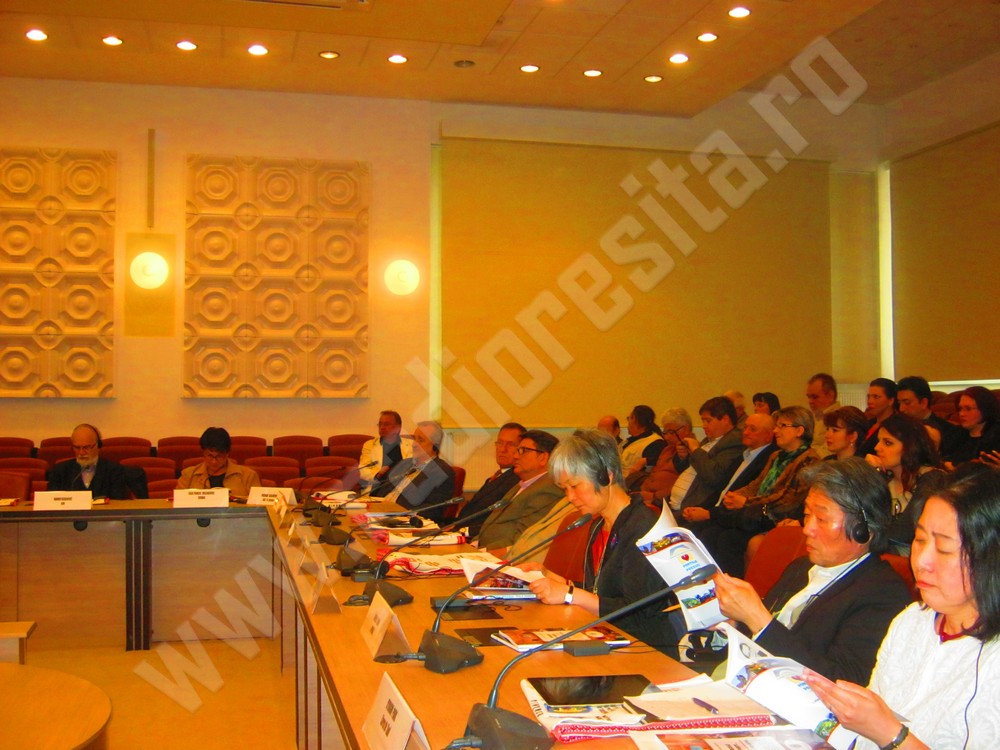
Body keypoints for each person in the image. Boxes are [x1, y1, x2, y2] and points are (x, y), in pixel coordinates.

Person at [804, 464, 1000, 750]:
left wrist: (890, 734)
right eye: (919, 540)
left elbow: (879, 728)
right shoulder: (912, 620)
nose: (921, 561)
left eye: (944, 549)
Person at [714, 458, 912, 684]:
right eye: (807, 515)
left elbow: (843, 680)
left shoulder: (882, 593)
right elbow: (773, 632)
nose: (807, 529)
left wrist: (758, 619)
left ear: (862, 530)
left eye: (822, 519)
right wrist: (735, 624)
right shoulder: (801, 568)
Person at [527, 430, 679, 655]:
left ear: (605, 476)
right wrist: (557, 580)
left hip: (645, 651)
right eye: (565, 489)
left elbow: (636, 611)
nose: (570, 497)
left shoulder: (644, 527)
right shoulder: (599, 524)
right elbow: (604, 594)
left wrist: (570, 594)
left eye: (575, 486)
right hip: (608, 639)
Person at [719, 406, 822, 568]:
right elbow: (756, 484)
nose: (775, 430)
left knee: (729, 539)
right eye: (776, 426)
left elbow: (787, 500)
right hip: (758, 513)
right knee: (717, 531)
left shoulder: (809, 461)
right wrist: (735, 496)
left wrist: (745, 502)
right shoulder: (776, 456)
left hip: (777, 518)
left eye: (782, 426)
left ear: (799, 431)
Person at [680, 412, 778, 575]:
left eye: (753, 429)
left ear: (768, 435)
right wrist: (699, 507)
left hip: (739, 517)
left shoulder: (767, 459)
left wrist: (709, 514)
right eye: (745, 427)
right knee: (683, 527)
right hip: (721, 511)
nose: (746, 432)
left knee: (711, 535)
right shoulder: (744, 456)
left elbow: (747, 498)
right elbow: (721, 490)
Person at [864, 413, 942, 554]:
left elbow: (904, 532)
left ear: (910, 447)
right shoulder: (884, 478)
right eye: (879, 441)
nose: (876, 447)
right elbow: (859, 518)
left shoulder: (933, 479)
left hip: (918, 554)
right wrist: (869, 476)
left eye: (888, 443)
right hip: (885, 552)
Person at [476, 430, 564, 553]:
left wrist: (482, 552)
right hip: (483, 548)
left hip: (501, 556)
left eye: (523, 451)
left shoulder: (548, 489)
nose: (516, 456)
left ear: (543, 457)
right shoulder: (522, 484)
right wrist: (474, 543)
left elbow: (523, 539)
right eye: (517, 450)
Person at [668, 396, 744, 515]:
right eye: (703, 421)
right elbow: (689, 469)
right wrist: (683, 457)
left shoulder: (734, 442)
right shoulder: (708, 440)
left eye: (708, 421)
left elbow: (714, 475)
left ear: (725, 419)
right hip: (676, 504)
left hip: (695, 508)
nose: (704, 425)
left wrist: (695, 450)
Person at [371, 420, 455, 522]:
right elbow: (381, 491)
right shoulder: (404, 463)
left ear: (435, 445)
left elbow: (433, 509)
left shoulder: (441, 472)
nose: (414, 444)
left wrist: (396, 512)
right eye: (415, 439)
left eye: (421, 440)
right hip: (377, 513)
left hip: (400, 520)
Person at [453, 422, 525, 537]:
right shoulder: (496, 477)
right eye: (500, 443)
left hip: (476, 538)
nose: (503, 449)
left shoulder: (517, 481)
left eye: (511, 445)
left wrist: (461, 531)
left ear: (521, 450)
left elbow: (497, 522)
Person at [45, 423, 128, 499]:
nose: (81, 453)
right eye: (77, 448)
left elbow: (117, 502)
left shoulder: (114, 471)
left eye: (86, 447)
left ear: (98, 445)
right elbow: (51, 501)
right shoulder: (59, 471)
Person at [176, 427, 261, 497]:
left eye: (219, 456)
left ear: (227, 454)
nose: (214, 461)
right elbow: (178, 505)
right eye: (210, 456)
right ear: (203, 453)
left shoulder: (248, 476)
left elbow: (258, 507)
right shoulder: (188, 476)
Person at [896, 375, 967, 458]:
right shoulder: (896, 427)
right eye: (899, 403)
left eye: (907, 403)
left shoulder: (947, 431)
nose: (901, 409)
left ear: (924, 403)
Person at [638, 408, 690, 506]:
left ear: (685, 429)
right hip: (646, 496)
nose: (666, 437)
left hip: (662, 502)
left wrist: (654, 497)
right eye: (665, 433)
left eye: (671, 432)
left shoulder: (692, 452)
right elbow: (654, 473)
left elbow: (683, 487)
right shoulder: (667, 449)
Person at [945, 385, 1000, 466]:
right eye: (960, 409)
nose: (961, 414)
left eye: (968, 409)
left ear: (984, 409)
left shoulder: (996, 436)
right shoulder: (954, 433)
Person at [359, 410, 413, 487]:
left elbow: (415, 467)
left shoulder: (411, 444)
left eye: (386, 424)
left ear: (398, 427)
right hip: (378, 486)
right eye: (380, 424)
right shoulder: (370, 445)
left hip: (403, 487)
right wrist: (377, 475)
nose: (382, 427)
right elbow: (362, 469)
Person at [620, 405, 665, 489]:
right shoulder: (628, 441)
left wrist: (645, 461)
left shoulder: (656, 443)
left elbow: (661, 462)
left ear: (636, 421)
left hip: (633, 486)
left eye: (629, 418)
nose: (628, 422)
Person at [858, 377, 898, 456]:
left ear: (891, 400)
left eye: (876, 397)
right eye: (869, 397)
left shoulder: (895, 427)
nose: (870, 401)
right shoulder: (867, 424)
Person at [806, 373, 840, 458]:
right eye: (808, 397)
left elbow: (829, 451)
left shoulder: (840, 419)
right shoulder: (815, 417)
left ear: (830, 396)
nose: (810, 401)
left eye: (815, 397)